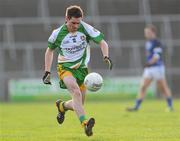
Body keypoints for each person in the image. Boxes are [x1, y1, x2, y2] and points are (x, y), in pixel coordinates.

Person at [42, 5, 112, 136]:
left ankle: (62, 106)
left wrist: (106, 56)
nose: (75, 26)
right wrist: (47, 71)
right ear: (66, 19)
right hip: (65, 67)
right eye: (73, 23)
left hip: (82, 70)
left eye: (78, 23)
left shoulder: (85, 28)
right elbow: (49, 51)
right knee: (76, 92)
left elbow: (103, 42)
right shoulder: (57, 34)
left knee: (78, 104)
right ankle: (85, 124)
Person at [127, 24, 173, 112]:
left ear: (153, 32)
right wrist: (148, 65)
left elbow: (157, 56)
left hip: (157, 68)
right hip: (149, 68)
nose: (146, 34)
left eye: (148, 32)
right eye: (145, 32)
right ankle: (136, 106)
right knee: (143, 86)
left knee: (162, 87)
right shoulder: (148, 42)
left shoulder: (157, 43)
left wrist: (149, 63)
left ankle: (170, 106)